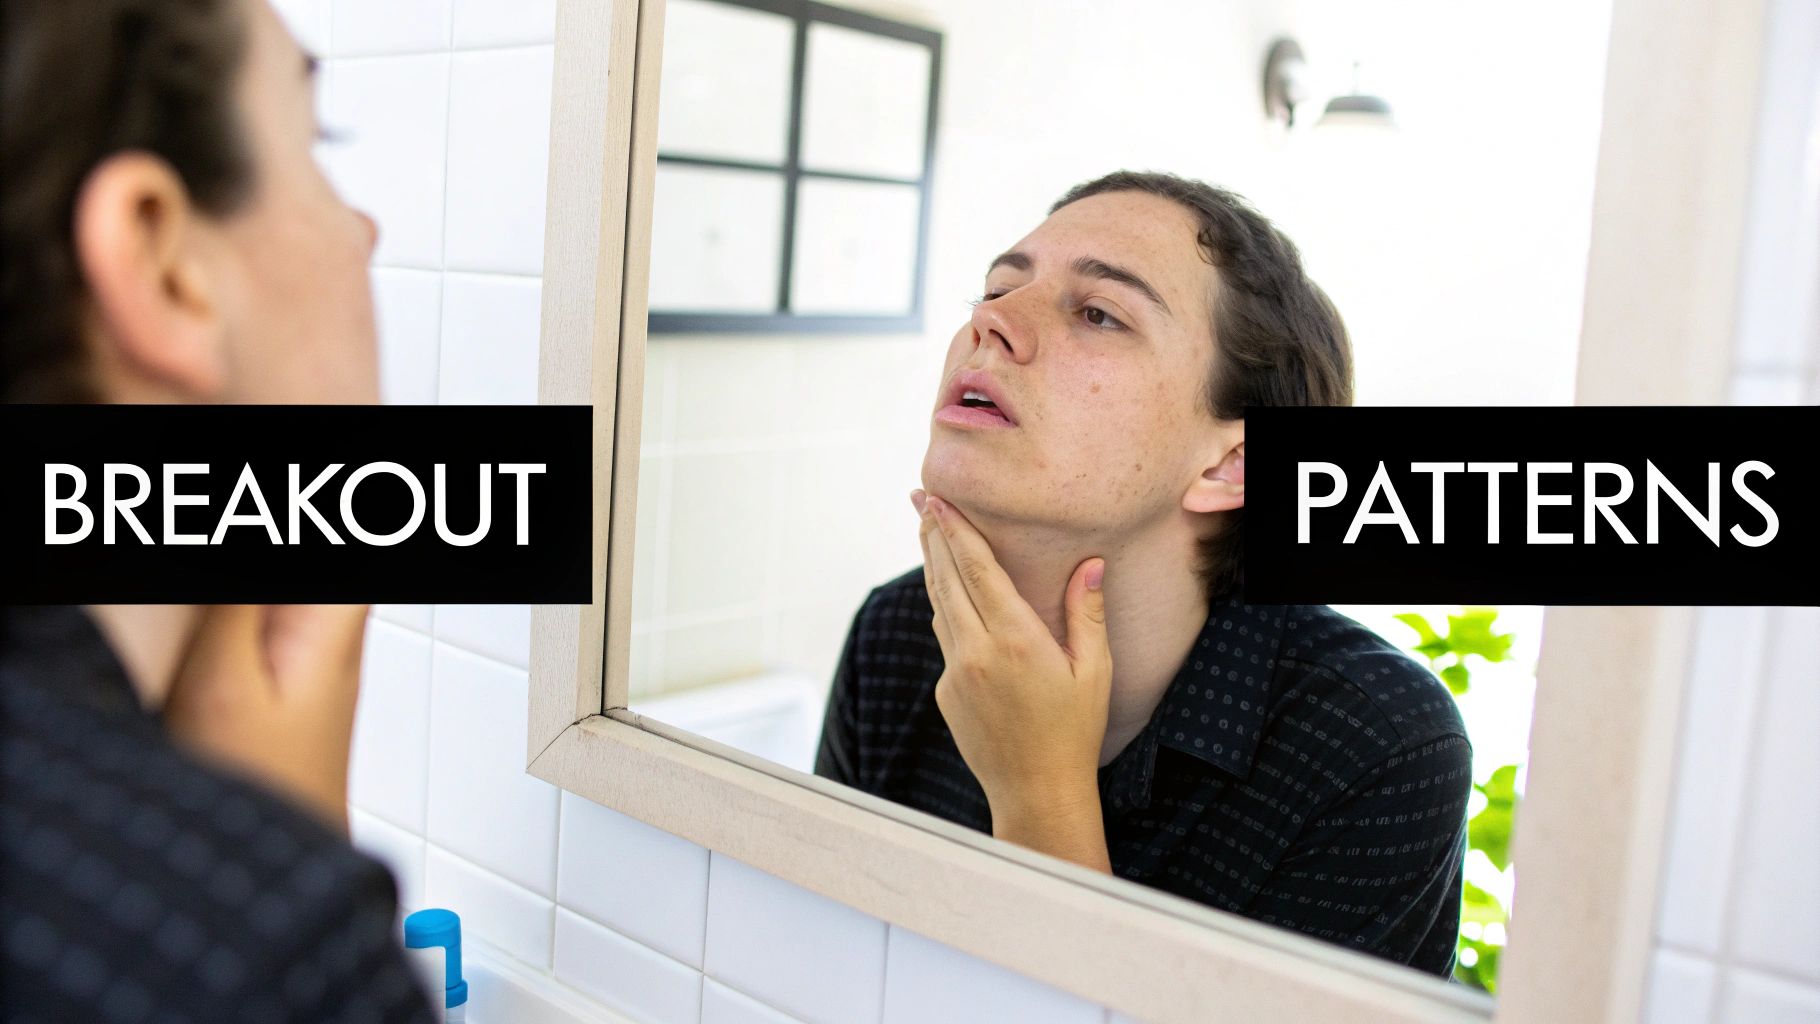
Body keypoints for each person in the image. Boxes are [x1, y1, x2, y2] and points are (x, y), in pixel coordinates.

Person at [815, 171, 1474, 975]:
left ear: (1232, 466)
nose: (992, 322)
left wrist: (1038, 793)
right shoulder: (895, 636)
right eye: (994, 290)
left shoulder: (1377, 744)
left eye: (1098, 313)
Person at [1, 0, 436, 1019]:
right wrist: (264, 862)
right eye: (315, 141)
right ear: (160, 261)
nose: (364, 228)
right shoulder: (271, 949)